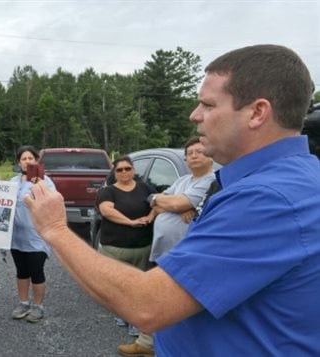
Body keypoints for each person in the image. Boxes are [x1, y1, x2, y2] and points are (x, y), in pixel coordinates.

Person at [23, 44, 320, 355]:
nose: (195, 116)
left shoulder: (268, 199)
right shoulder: (288, 179)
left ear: (258, 112)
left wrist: (55, 227)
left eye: (207, 105)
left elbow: (146, 305)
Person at [117, 137, 215, 357]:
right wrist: (172, 205)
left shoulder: (212, 182)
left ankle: (170, 347)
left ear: (210, 155)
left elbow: (175, 203)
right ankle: (148, 343)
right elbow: (154, 200)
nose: (193, 156)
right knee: (157, 298)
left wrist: (175, 204)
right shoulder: (183, 180)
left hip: (185, 254)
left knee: (179, 303)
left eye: (199, 152)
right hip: (163, 251)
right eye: (189, 153)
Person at [95, 156, 156, 336]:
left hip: (142, 247)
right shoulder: (108, 191)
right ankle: (122, 314)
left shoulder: (144, 187)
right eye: (120, 170)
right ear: (114, 173)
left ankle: (135, 321)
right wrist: (130, 222)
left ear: (133, 170)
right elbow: (107, 211)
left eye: (127, 168)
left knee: (139, 287)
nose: (124, 172)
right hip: (115, 249)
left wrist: (151, 216)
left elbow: (158, 201)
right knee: (119, 285)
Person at [9, 145, 56, 322]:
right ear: (19, 162)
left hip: (37, 235)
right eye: (24, 159)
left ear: (36, 161)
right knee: (21, 271)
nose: (27, 162)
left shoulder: (46, 181)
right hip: (16, 236)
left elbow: (52, 203)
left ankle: (38, 306)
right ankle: (23, 303)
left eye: (31, 158)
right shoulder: (13, 182)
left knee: (36, 270)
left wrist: (39, 184)